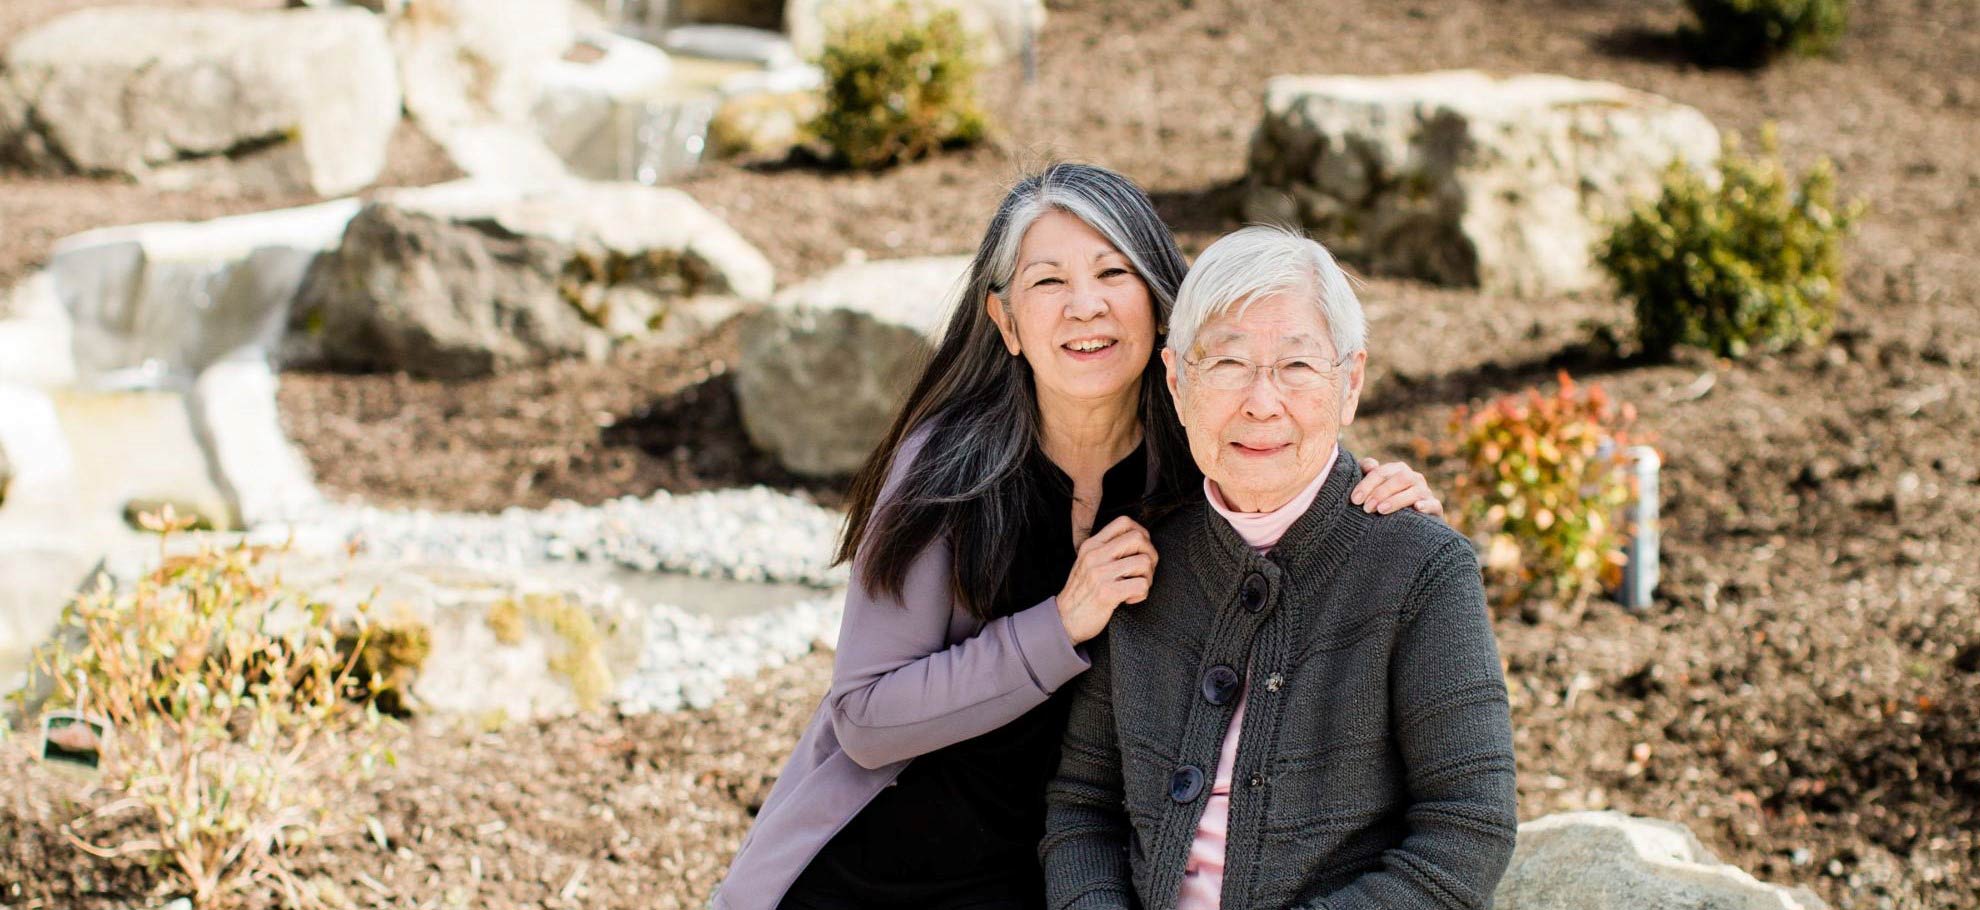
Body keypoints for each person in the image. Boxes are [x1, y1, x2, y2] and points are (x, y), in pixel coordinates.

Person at [713, 166, 1443, 910]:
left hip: (1076, 877)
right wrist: (1061, 623)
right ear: (1006, 323)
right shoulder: (946, 470)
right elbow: (865, 719)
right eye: (1048, 283)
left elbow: (1295, 444)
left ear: (1162, 303)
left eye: (1112, 271)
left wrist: (1374, 498)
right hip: (883, 864)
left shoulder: (1202, 462)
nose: (1084, 306)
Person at [1040, 225, 1518, 909]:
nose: (1262, 402)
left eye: (1297, 366)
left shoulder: (1421, 570)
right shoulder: (1142, 560)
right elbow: (1083, 806)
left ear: (1348, 384)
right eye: (1229, 364)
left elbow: (1468, 832)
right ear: (1177, 382)